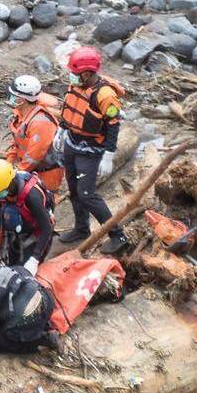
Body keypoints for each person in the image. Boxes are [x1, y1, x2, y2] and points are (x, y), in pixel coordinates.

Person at [57, 47, 128, 252]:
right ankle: (81, 228)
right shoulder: (76, 85)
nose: (71, 76)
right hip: (72, 143)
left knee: (86, 193)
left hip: (90, 150)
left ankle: (118, 235)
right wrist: (61, 131)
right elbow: (70, 109)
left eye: (74, 72)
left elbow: (113, 124)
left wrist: (109, 154)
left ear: (86, 73)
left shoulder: (105, 95)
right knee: (73, 190)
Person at [0, 159, 56, 269]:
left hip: (37, 234)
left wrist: (34, 259)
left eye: (0, 193)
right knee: (11, 265)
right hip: (18, 230)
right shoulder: (1, 191)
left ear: (9, 184)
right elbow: (0, 220)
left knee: (24, 272)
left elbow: (47, 228)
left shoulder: (32, 196)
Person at [5, 75, 65, 194]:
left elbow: (34, 157)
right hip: (30, 170)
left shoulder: (40, 123)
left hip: (46, 174)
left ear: (21, 100)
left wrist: (16, 174)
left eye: (13, 96)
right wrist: (7, 165)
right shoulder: (21, 115)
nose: (10, 98)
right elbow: (16, 142)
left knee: (42, 203)